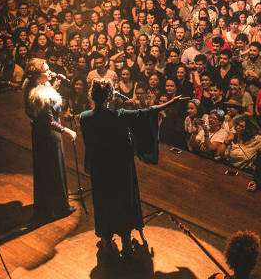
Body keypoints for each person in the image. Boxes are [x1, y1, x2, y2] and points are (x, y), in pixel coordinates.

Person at [79, 78, 188, 256]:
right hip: (120, 166)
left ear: (92, 95)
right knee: (123, 199)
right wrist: (172, 102)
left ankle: (106, 239)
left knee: (103, 200)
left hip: (100, 166)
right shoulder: (120, 115)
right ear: (109, 96)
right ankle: (126, 240)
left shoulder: (84, 117)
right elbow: (148, 112)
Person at [23, 59, 77, 220]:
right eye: (46, 70)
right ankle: (61, 207)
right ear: (37, 75)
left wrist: (55, 85)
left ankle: (45, 208)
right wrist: (67, 130)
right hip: (49, 135)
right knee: (56, 170)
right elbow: (48, 120)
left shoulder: (37, 86)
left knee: (45, 171)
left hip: (40, 134)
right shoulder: (38, 93)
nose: (50, 72)